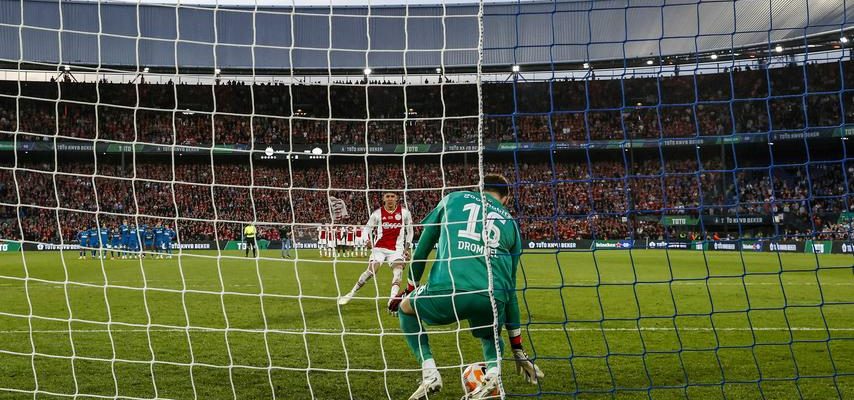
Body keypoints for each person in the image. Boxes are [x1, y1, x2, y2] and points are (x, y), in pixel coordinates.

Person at [389, 175, 543, 400]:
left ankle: (430, 373)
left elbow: (422, 250)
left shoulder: (453, 199)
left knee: (405, 308)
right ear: (506, 199)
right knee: (491, 334)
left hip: (448, 289)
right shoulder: (511, 223)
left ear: (478, 189)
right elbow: (511, 291)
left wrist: (410, 287)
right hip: (491, 297)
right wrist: (518, 348)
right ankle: (493, 374)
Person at [338, 192, 413, 307]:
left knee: (398, 271)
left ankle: (392, 300)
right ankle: (351, 293)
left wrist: (406, 249)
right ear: (383, 198)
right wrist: (366, 240)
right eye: (387, 196)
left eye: (392, 196)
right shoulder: (377, 214)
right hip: (379, 248)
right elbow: (366, 229)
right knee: (371, 271)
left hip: (397, 249)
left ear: (396, 198)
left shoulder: (405, 213)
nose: (390, 199)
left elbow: (410, 232)